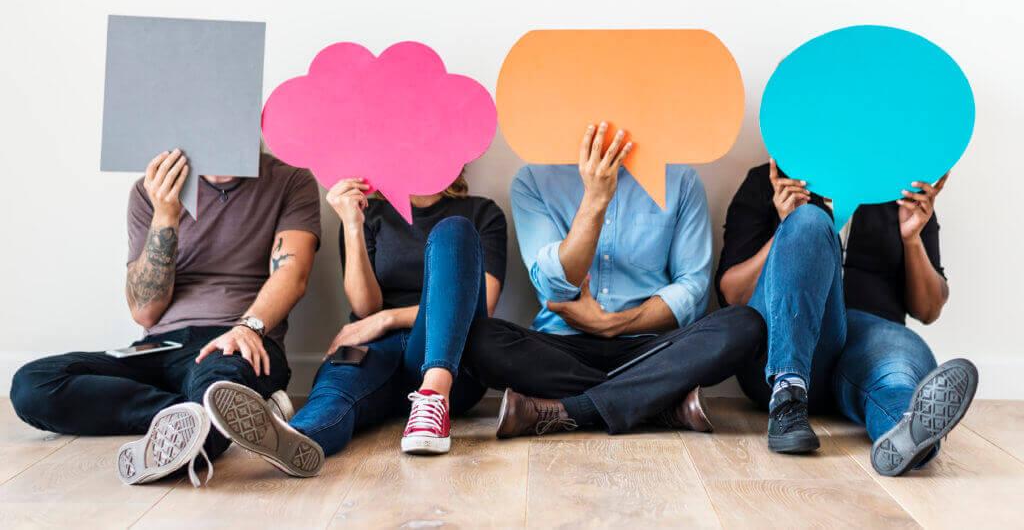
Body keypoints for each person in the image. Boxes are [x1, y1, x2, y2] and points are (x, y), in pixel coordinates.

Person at [10, 147, 321, 486]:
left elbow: (292, 274)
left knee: (216, 385)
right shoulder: (150, 190)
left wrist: (248, 327)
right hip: (163, 346)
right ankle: (223, 417)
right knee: (33, 384)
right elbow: (145, 311)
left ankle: (199, 423)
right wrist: (165, 215)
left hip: (237, 340)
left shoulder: (290, 179)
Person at [465, 122, 766, 438]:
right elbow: (553, 286)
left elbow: (692, 289)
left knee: (744, 324)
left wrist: (617, 323)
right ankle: (658, 403)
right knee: (478, 338)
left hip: (650, 347)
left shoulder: (681, 180)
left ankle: (571, 410)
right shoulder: (534, 180)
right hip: (562, 347)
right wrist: (595, 198)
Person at [203, 170, 507, 476]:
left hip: (445, 359)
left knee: (454, 231)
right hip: (377, 348)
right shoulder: (372, 213)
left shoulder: (482, 213)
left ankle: (431, 402)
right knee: (336, 386)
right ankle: (293, 437)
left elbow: (484, 302)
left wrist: (387, 318)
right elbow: (365, 306)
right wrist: (352, 225)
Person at [716, 158, 978, 475]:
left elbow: (928, 309)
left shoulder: (900, 190)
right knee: (809, 222)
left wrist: (912, 238)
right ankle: (788, 396)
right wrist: (787, 230)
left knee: (896, 371)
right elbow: (734, 295)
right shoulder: (769, 181)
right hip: (786, 345)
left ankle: (906, 431)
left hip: (870, 338)